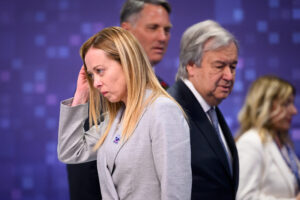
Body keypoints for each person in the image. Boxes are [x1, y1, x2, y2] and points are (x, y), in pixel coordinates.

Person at [58, 27, 192, 200]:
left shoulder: (162, 110)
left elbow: (175, 192)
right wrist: (80, 96)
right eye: (91, 75)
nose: (96, 83)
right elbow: (70, 152)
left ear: (127, 63)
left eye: (100, 71)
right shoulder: (114, 120)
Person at [168, 20, 240, 199]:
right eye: (219, 66)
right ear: (191, 65)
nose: (229, 76)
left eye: (232, 67)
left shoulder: (211, 107)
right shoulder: (172, 109)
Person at [236, 75, 299, 200]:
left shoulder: (282, 143)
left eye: (292, 103)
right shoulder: (250, 142)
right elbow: (244, 197)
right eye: (286, 104)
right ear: (265, 105)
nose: (294, 111)